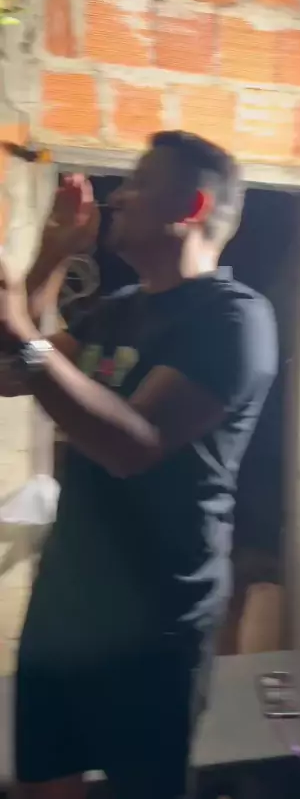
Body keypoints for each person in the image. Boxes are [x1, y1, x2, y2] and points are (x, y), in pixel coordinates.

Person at [0, 131, 278, 799]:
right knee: (45, 781)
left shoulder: (235, 320)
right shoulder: (119, 311)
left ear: (193, 206)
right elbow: (13, 371)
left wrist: (19, 328)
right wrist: (52, 255)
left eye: (141, 183)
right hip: (67, 605)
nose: (119, 197)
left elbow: (132, 445)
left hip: (158, 620)